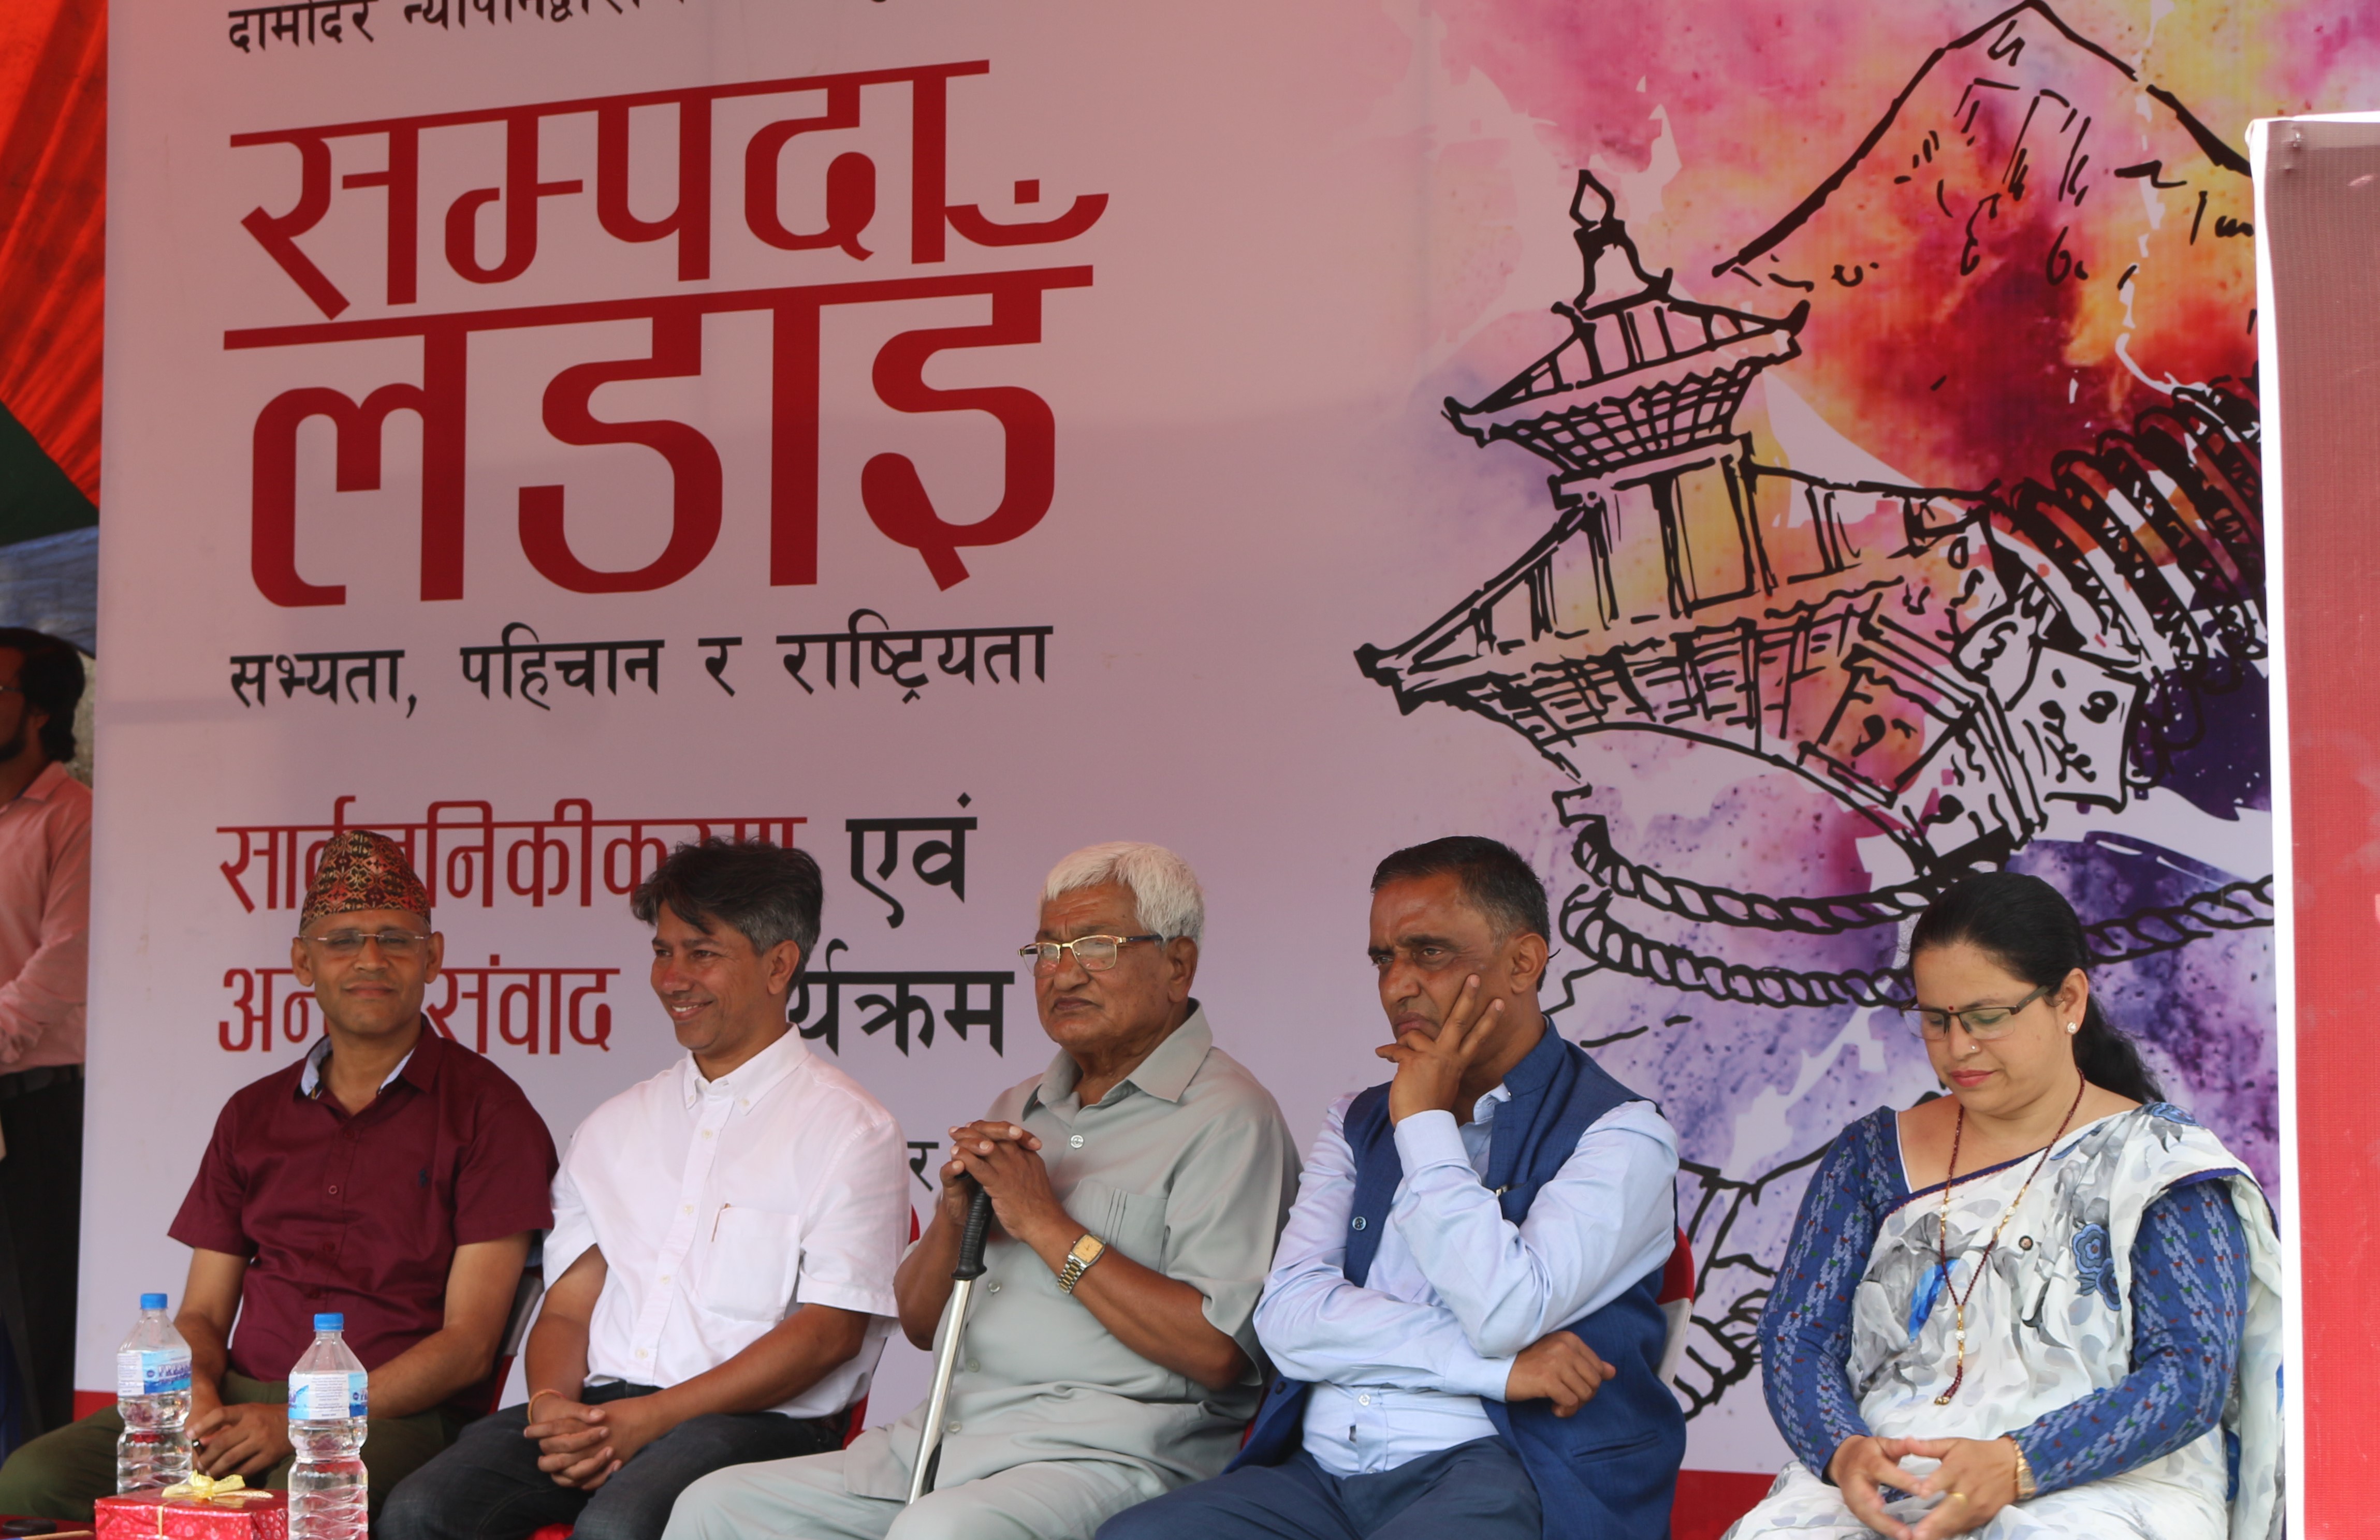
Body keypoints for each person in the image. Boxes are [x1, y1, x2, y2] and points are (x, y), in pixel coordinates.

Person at [663, 841, 1300, 1540]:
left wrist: (1044, 1224)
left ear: (1177, 965)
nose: (1063, 973)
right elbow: (919, 1324)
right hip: (944, 1444)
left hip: (1107, 1457)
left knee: (939, 1533)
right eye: (1046, 951)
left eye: (1096, 946)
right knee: (713, 1507)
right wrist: (952, 1219)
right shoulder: (1020, 1105)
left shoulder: (1230, 1118)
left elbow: (1218, 1350)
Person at [1101, 835, 1685, 1540]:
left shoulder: (1622, 1134)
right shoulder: (1356, 1119)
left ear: (1523, 962)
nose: (1397, 985)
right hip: (1318, 1473)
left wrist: (1424, 1125)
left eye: (1429, 952)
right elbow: (1287, 1319)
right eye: (1384, 959)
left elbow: (1505, 1311)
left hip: (1506, 1468)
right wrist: (1497, 1372)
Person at [0, 829, 559, 1519]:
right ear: (302, 962)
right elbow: (204, 1314)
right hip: (238, 1400)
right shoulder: (253, 1114)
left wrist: (297, 1423)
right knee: (32, 1480)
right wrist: (200, 1392)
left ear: (433, 957)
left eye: (396, 939)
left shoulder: (489, 1112)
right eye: (343, 941)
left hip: (390, 1417)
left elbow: (468, 1346)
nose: (371, 959)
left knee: (299, 1500)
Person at [1726, 871, 2283, 1540]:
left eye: (1987, 1017)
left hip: (2108, 1487)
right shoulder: (1872, 1156)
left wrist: (2020, 1463)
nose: (1958, 1047)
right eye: (1935, 1020)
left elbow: (2189, 1376)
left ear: (2068, 999)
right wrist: (1844, 1452)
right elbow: (1798, 1336)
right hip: (1897, 1478)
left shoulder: (2160, 1164)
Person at [381, 839, 912, 1540]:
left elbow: (828, 1337)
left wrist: (652, 1419)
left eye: (702, 953)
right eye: (663, 952)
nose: (672, 979)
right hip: (600, 1408)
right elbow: (567, 1309)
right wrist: (549, 1405)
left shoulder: (852, 1130)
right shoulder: (614, 1126)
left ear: (779, 964)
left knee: (620, 1526)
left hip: (760, 1426)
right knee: (421, 1509)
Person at [0, 628, 91, 1445]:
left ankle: (29, 1497)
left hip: (32, 1107)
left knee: (34, 1324)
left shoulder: (76, 818)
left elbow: (62, 966)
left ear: (38, 712)